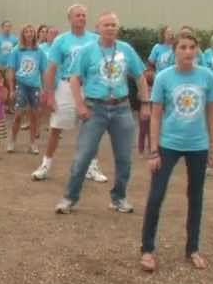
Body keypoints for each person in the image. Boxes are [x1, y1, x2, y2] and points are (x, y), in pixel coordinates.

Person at [140, 29, 213, 272]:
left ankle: (192, 249)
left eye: (191, 48)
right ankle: (147, 250)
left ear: (197, 51)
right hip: (168, 145)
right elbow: (155, 116)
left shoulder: (206, 77)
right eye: (182, 48)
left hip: (198, 145)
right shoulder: (164, 78)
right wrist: (154, 151)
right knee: (156, 196)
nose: (187, 52)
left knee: (196, 197)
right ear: (173, 52)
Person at [54, 11, 148, 214]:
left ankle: (119, 198)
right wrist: (80, 106)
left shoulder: (126, 50)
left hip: (122, 108)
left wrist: (145, 102)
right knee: (83, 156)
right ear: (98, 28)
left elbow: (140, 76)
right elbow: (74, 78)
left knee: (124, 158)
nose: (111, 28)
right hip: (95, 108)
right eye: (106, 25)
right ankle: (69, 198)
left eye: (114, 25)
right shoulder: (87, 51)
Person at [32, 5, 106, 183]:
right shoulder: (61, 41)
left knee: (91, 128)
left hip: (88, 88)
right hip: (65, 87)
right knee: (56, 128)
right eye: (78, 15)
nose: (82, 18)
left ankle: (92, 167)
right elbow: (51, 69)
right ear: (70, 19)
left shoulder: (96, 39)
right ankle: (45, 165)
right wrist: (50, 94)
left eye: (84, 15)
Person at [6, 24, 46, 154]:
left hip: (34, 86)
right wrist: (12, 89)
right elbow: (11, 70)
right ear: (23, 34)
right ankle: (12, 141)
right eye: (26, 31)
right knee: (18, 115)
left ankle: (33, 143)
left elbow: (43, 71)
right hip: (21, 84)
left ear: (34, 34)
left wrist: (44, 89)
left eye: (31, 31)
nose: (29, 34)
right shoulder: (16, 50)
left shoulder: (39, 51)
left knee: (34, 116)